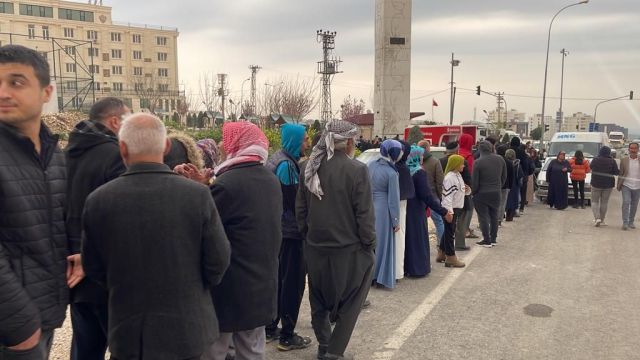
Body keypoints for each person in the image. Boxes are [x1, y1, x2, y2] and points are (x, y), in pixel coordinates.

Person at [81, 114, 231, 360]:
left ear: (122, 148)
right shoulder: (198, 196)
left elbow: (94, 268)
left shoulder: (99, 200)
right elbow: (218, 261)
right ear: (166, 145)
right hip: (187, 331)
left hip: (129, 333)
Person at [0, 45, 70, 359]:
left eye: (16, 82)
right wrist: (20, 328)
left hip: (46, 311)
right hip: (13, 329)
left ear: (46, 92)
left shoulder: (54, 155)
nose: (3, 93)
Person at [296, 120, 375, 360]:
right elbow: (364, 214)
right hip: (348, 249)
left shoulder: (308, 167)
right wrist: (369, 243)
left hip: (315, 246)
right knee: (352, 300)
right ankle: (334, 351)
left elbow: (300, 210)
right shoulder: (357, 170)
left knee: (318, 298)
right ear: (350, 142)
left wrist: (308, 237)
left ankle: (324, 344)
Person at [203, 122, 283, 360]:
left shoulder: (227, 185)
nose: (222, 144)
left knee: (214, 350)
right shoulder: (270, 180)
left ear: (236, 143)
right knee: (251, 351)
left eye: (226, 139)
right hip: (261, 282)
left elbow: (205, 231)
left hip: (228, 287)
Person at [65, 97, 129, 360]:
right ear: (114, 122)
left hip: (73, 271)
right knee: (122, 347)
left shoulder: (66, 153)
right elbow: (117, 215)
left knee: (85, 347)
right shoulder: (115, 156)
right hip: (105, 273)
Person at [264, 124, 312, 350]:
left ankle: (270, 327)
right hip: (291, 233)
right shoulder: (287, 166)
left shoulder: (277, 158)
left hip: (278, 231)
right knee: (292, 284)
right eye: (304, 140)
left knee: (278, 280)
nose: (307, 143)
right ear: (295, 141)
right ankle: (287, 336)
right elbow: (295, 204)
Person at [404, 145, 452, 276]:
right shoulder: (419, 172)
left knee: (407, 239)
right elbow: (427, 196)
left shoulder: (404, 169)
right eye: (420, 155)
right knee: (417, 239)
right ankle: (418, 268)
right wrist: (443, 211)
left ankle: (406, 267)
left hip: (405, 209)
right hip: (416, 210)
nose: (421, 158)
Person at [368, 139, 402, 289]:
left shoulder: (370, 165)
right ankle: (379, 276)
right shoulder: (391, 172)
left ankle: (368, 276)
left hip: (368, 207)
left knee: (370, 244)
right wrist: (396, 221)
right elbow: (393, 200)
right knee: (382, 244)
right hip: (383, 210)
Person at [439, 142, 473, 251]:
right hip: (452, 204)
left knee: (449, 229)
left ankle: (442, 251)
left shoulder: (440, 161)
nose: (463, 165)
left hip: (448, 199)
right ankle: (452, 253)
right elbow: (467, 180)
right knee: (452, 228)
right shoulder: (451, 176)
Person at [472, 141, 507, 247]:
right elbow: (504, 176)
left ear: (480, 150)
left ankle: (486, 240)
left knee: (483, 217)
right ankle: (493, 239)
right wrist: (498, 186)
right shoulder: (500, 159)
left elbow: (475, 182)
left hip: (482, 193)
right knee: (494, 216)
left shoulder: (478, 162)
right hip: (496, 192)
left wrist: (473, 193)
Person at [417, 140, 445, 247]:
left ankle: (421, 246)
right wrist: (440, 196)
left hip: (419, 198)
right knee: (439, 222)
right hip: (433, 196)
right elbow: (439, 181)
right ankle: (441, 247)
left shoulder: (414, 160)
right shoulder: (435, 161)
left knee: (421, 223)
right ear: (428, 148)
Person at [395, 140, 415, 281]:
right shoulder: (402, 168)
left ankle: (396, 271)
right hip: (400, 206)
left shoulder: (396, 167)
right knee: (398, 237)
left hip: (396, 206)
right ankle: (397, 271)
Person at [441, 155, 466, 267]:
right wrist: (449, 212)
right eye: (461, 163)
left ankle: (441, 253)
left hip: (456, 207)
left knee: (448, 231)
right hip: (451, 209)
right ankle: (450, 257)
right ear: (455, 164)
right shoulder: (450, 178)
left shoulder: (457, 175)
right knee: (450, 233)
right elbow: (447, 196)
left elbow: (458, 190)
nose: (463, 165)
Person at [590, 146, 619, 227]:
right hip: (608, 184)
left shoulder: (595, 159)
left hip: (596, 183)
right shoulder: (612, 161)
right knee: (604, 202)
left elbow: (591, 167)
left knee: (594, 201)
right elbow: (616, 172)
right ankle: (602, 220)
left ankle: (597, 218)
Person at [458, 134, 479, 241]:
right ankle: (465, 230)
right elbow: (471, 173)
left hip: (454, 185)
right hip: (465, 186)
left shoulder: (456, 153)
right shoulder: (468, 156)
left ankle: (461, 228)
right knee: (468, 209)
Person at [617, 142, 640, 230]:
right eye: (631, 148)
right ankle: (625, 223)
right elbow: (621, 174)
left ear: (638, 149)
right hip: (626, 185)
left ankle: (631, 222)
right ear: (629, 149)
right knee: (626, 202)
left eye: (635, 148)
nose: (633, 150)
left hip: (638, 186)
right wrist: (618, 185)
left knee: (634, 205)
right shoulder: (624, 160)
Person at [511, 137, 533, 214]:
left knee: (512, 192)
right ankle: (521, 208)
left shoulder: (508, 150)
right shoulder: (522, 152)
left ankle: (511, 208)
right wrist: (526, 174)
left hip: (510, 175)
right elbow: (526, 164)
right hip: (522, 174)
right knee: (523, 192)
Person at [504, 149, 524, 222]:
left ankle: (504, 215)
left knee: (505, 201)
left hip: (505, 184)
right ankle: (510, 217)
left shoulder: (504, 163)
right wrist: (520, 184)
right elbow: (520, 176)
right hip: (514, 185)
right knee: (513, 201)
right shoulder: (517, 165)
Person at [496, 145, 513, 226]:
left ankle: (493, 218)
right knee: (502, 203)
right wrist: (510, 186)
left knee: (495, 203)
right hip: (505, 186)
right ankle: (499, 220)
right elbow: (511, 176)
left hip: (495, 185)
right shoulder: (509, 162)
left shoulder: (494, 161)